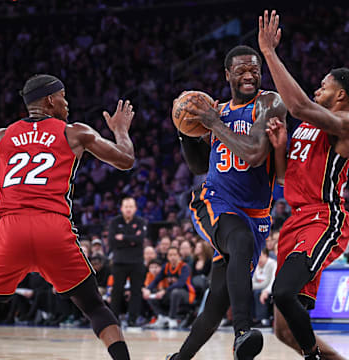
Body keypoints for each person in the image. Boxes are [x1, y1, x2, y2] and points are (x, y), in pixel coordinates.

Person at [0, 74, 134, 360]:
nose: (67, 104)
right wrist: (120, 131)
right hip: (52, 227)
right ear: (50, 100)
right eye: (64, 97)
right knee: (94, 308)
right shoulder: (75, 132)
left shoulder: (1, 136)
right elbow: (125, 159)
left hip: (10, 230)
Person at [166, 45, 287, 360]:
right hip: (215, 201)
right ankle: (243, 332)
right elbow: (198, 166)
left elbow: (255, 153)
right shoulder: (215, 109)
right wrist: (185, 132)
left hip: (256, 213)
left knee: (218, 298)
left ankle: (178, 359)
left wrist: (214, 124)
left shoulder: (269, 102)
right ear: (227, 75)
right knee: (239, 239)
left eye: (253, 69)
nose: (249, 75)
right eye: (241, 71)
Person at [259, 10, 349, 360]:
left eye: (324, 86)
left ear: (341, 95)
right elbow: (284, 178)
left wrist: (269, 53)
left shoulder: (343, 122)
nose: (317, 88)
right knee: (282, 330)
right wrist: (280, 149)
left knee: (283, 293)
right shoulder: (309, 127)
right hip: (295, 220)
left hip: (324, 217)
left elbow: (297, 105)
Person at [109, 196, 147, 327]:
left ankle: (133, 319)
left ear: (135, 208)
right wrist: (131, 239)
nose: (128, 209)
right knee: (116, 291)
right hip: (119, 262)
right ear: (121, 208)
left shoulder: (141, 221)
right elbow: (112, 242)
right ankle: (114, 318)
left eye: (131, 206)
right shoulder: (114, 222)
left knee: (136, 291)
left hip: (137, 262)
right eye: (126, 207)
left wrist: (123, 237)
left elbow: (140, 239)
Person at [142, 246, 196, 329]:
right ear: (167, 257)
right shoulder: (166, 266)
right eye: (170, 255)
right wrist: (147, 290)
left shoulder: (184, 267)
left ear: (179, 256)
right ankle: (161, 316)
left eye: (175, 255)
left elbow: (180, 284)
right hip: (170, 293)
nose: (173, 257)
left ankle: (172, 318)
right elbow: (156, 280)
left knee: (176, 292)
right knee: (150, 295)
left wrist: (164, 291)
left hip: (187, 294)